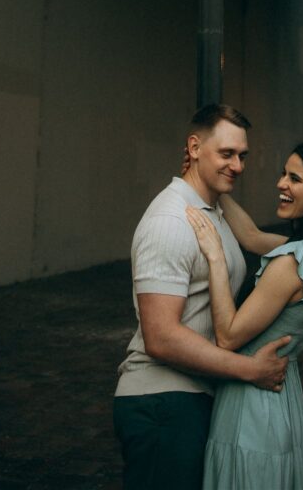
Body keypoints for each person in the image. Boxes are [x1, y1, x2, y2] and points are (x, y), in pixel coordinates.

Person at [113, 104, 291, 490]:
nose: (238, 166)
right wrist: (250, 371)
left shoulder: (211, 210)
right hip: (162, 401)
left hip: (194, 395)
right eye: (226, 154)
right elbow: (160, 337)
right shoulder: (171, 221)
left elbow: (258, 239)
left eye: (242, 156)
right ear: (194, 148)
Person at [186, 140, 303, 490]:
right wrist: (214, 186)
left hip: (252, 401)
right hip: (280, 398)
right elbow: (251, 237)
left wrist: (216, 259)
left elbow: (229, 335)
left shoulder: (292, 263)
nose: (281, 184)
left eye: (294, 179)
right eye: (284, 174)